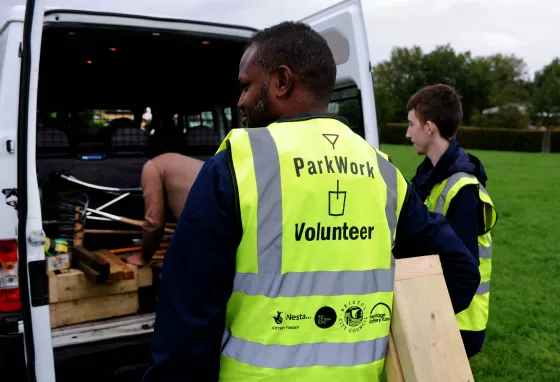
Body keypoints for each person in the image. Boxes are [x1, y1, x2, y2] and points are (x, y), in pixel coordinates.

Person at [142, 22, 480, 381]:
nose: (240, 101)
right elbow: (459, 271)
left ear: (282, 81)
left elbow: (189, 316)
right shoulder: (381, 171)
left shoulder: (238, 164)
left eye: (245, 86)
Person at [405, 83, 498, 358]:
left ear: (430, 127)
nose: (408, 133)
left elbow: (462, 272)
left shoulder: (463, 188)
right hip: (436, 312)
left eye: (412, 124)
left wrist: (433, 317)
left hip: (457, 320)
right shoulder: (429, 178)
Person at [127, 116, 203, 267]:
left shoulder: (153, 166)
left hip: (203, 239)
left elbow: (154, 223)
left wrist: (143, 257)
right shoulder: (198, 163)